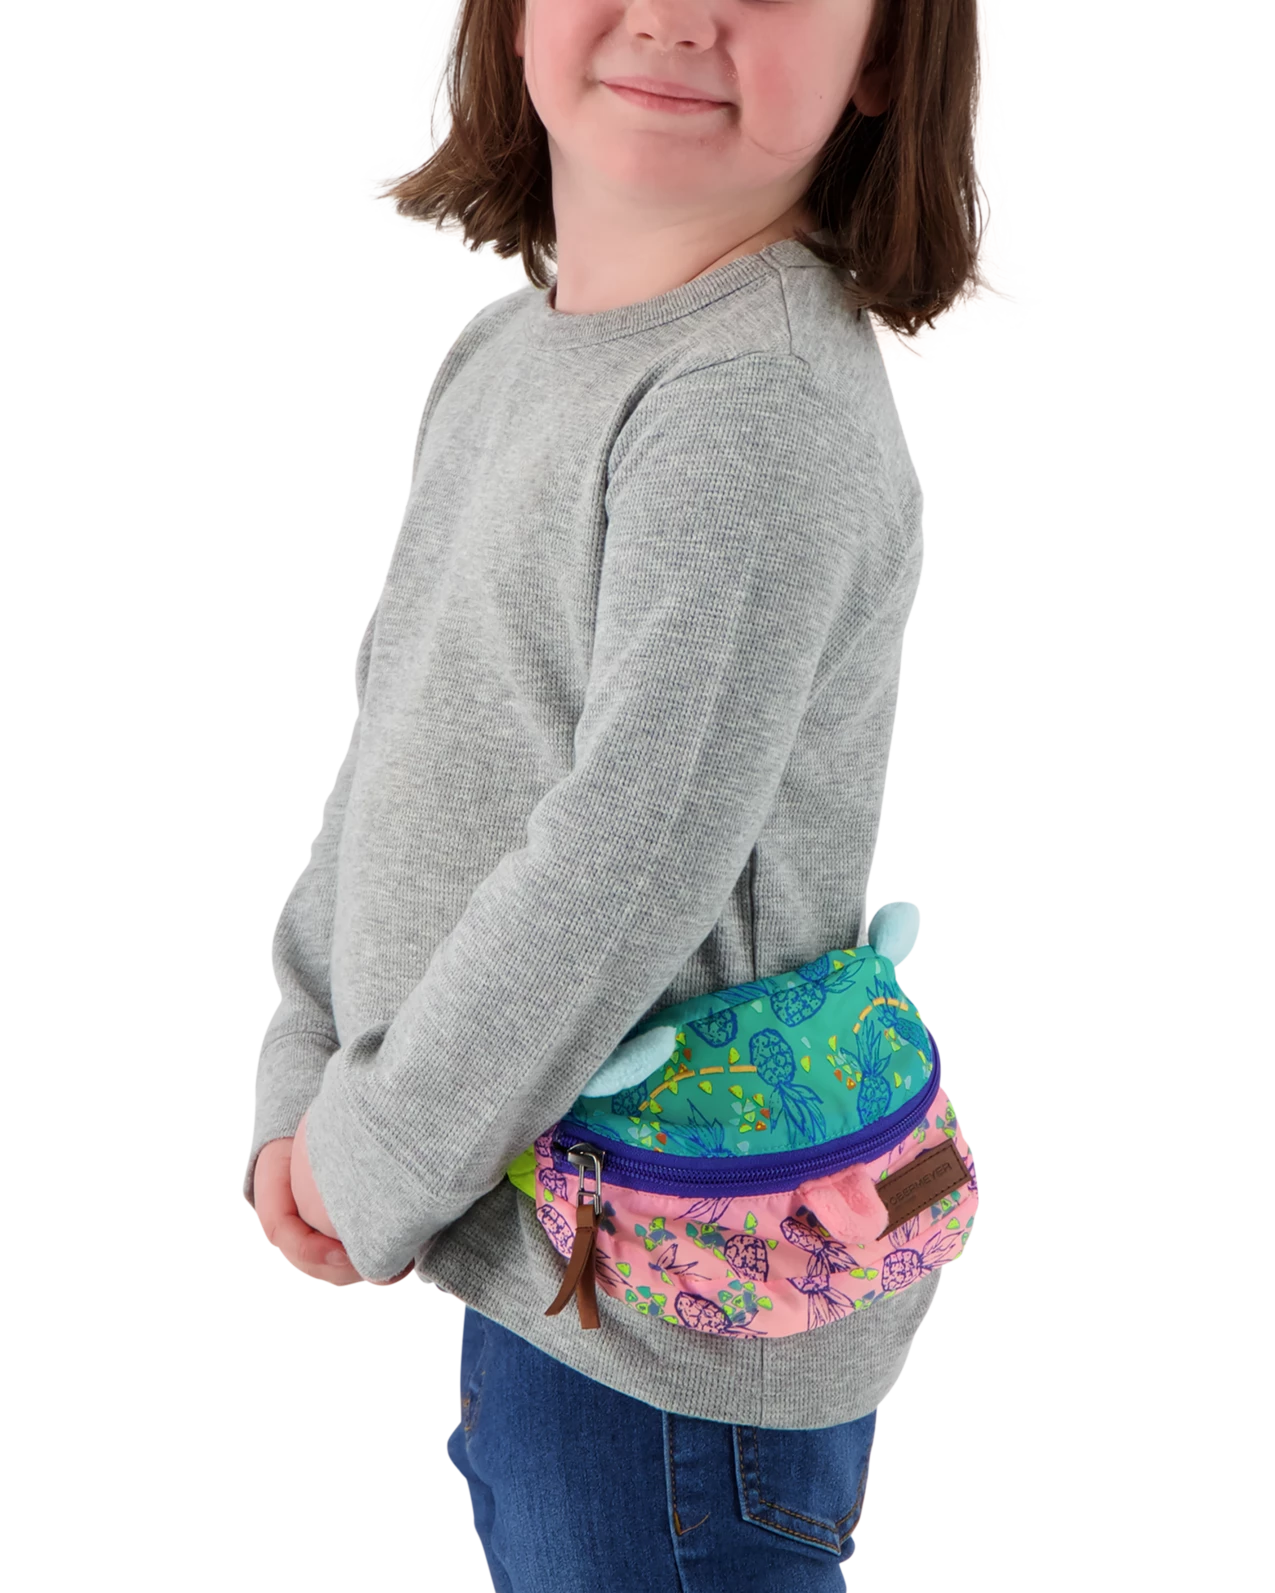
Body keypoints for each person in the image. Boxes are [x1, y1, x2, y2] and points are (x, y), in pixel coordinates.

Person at [245, 2, 1000, 1586]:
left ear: (881, 56)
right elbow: (394, 744)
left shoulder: (755, 401)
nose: (674, 14)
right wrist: (307, 1076)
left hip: (671, 1316)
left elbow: (626, 860)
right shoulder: (512, 349)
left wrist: (381, 1160)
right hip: (537, 1242)